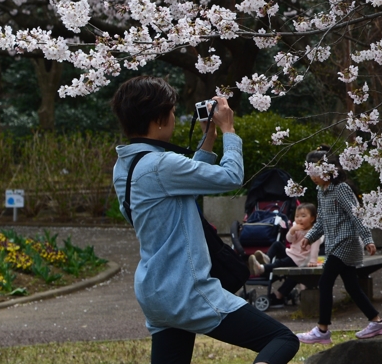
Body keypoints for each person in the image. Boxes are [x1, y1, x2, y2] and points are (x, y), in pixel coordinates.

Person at [111, 76, 299, 364]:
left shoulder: (126, 167)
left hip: (155, 294)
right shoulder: (162, 164)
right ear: (160, 119)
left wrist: (207, 136)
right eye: (172, 112)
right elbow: (231, 177)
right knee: (282, 339)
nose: (174, 118)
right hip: (187, 291)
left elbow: (186, 178)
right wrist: (228, 130)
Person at [296, 147, 382, 344]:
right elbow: (321, 221)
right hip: (334, 243)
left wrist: (368, 239)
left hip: (345, 242)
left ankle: (322, 330)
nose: (312, 177)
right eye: (310, 172)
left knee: (325, 283)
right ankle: (377, 321)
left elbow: (357, 215)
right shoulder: (322, 191)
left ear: (327, 169)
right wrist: (310, 237)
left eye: (315, 172)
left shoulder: (341, 189)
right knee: (352, 286)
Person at [249, 203, 323, 306]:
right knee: (277, 245)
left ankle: (261, 268)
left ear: (312, 218)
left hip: (300, 259)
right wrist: (292, 230)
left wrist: (313, 261)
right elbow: (289, 239)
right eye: (297, 216)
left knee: (280, 262)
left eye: (303, 216)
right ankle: (267, 258)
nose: (299, 219)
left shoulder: (315, 232)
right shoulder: (296, 228)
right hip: (291, 253)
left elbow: (315, 249)